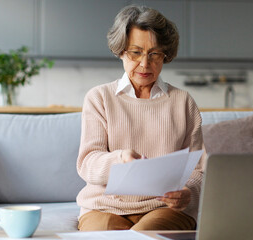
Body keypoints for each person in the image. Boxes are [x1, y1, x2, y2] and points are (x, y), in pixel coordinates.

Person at [76, 5, 204, 231]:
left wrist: (188, 193)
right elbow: (87, 163)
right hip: (104, 207)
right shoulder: (100, 98)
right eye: (135, 52)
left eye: (155, 54)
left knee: (144, 236)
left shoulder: (183, 102)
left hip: (164, 208)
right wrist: (120, 159)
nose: (145, 64)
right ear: (121, 51)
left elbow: (200, 169)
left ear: (166, 55)